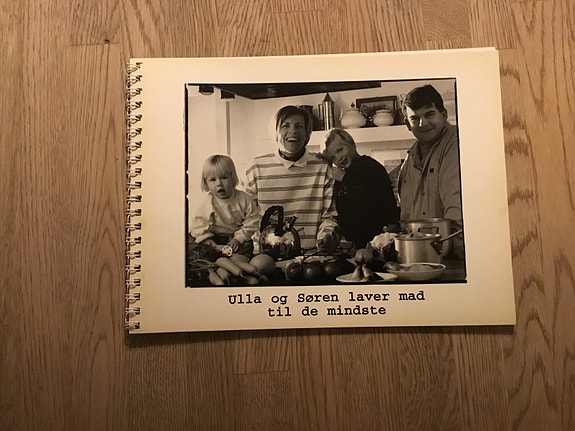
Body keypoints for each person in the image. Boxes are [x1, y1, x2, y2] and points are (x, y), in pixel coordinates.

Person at [244, 105, 341, 252]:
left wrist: (326, 236)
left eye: (299, 126)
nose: (293, 131)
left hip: (311, 255)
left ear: (307, 134)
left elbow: (329, 215)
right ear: (275, 133)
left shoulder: (322, 167)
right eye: (285, 125)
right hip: (265, 255)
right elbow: (246, 216)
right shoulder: (255, 167)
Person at [398, 84, 464, 258]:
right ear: (407, 124)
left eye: (429, 114)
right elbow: (406, 215)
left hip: (456, 255)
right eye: (415, 118)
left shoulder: (459, 143)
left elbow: (456, 209)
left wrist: (457, 256)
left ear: (444, 114)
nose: (423, 123)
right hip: (421, 257)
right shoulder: (410, 157)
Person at [322, 128, 399, 249]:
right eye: (333, 158)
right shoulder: (342, 176)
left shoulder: (371, 167)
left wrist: (344, 178)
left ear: (352, 144)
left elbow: (368, 194)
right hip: (355, 243)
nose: (338, 158)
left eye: (340, 150)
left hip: (380, 241)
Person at [191, 154, 259, 255]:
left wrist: (239, 238)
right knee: (199, 250)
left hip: (238, 238)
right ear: (206, 183)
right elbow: (198, 225)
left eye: (224, 178)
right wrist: (212, 243)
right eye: (213, 180)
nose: (219, 183)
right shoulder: (207, 202)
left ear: (232, 178)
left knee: (243, 253)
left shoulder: (244, 199)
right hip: (214, 239)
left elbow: (252, 221)